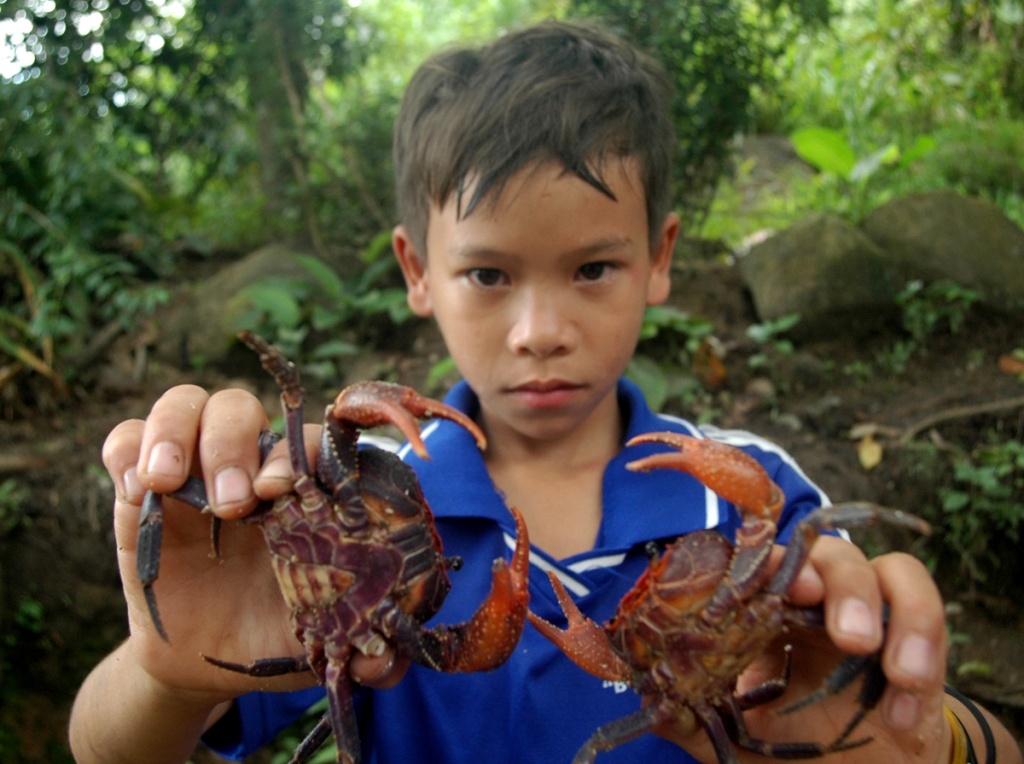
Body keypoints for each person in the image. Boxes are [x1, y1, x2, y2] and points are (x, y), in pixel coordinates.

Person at [69, 19, 1021, 764]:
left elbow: (968, 736)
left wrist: (930, 738)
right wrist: (166, 674)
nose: (540, 329)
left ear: (660, 259)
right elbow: (105, 746)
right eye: (488, 276)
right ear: (417, 270)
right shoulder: (352, 515)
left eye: (594, 268)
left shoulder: (750, 503)